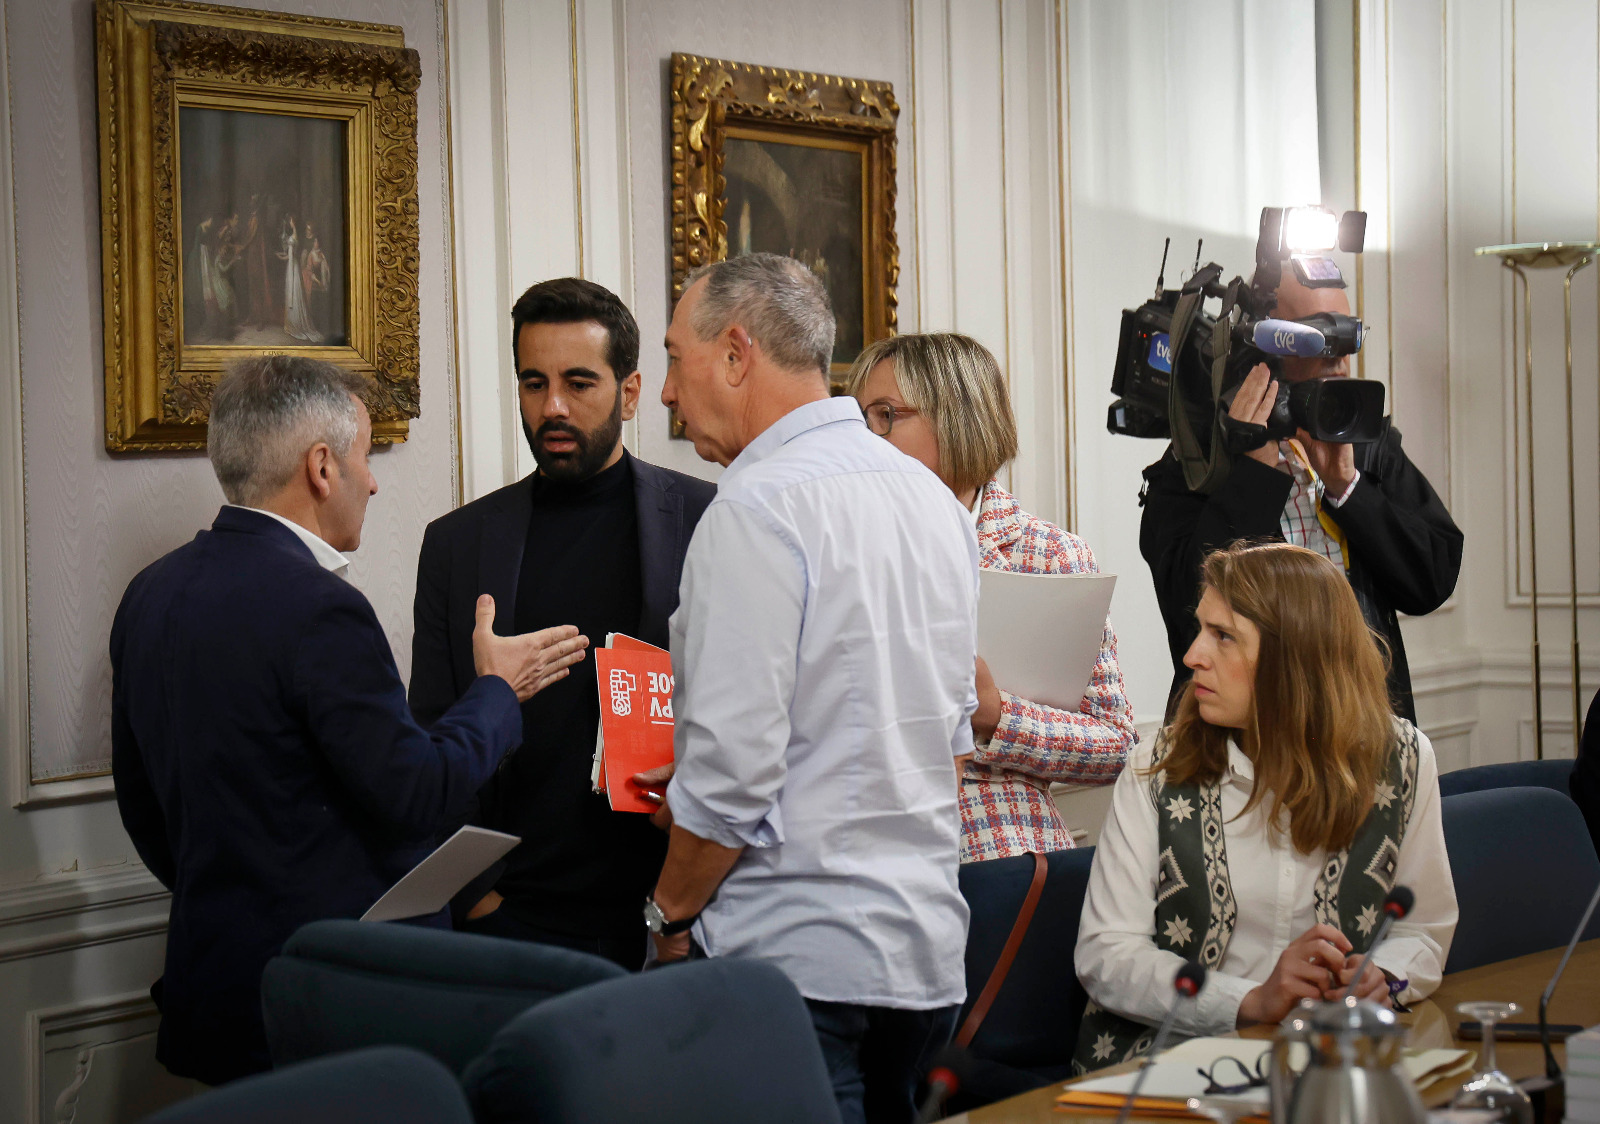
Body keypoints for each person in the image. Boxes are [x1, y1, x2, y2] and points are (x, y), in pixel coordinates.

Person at [110, 355, 588, 1085]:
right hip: (323, 1003)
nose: (373, 480)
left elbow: (145, 810)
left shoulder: (148, 595)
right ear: (322, 466)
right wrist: (497, 688)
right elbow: (417, 795)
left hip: (213, 988)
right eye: (365, 457)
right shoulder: (320, 607)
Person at [651, 254, 978, 1124]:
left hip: (795, 966)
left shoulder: (756, 509)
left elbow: (731, 779)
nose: (667, 394)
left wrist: (665, 920)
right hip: (923, 957)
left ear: (734, 352)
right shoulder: (935, 501)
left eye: (676, 359)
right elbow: (943, 734)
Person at [409, 278, 716, 969]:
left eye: (579, 383)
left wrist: (685, 903)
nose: (552, 407)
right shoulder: (458, 545)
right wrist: (480, 901)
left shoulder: (707, 520)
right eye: (532, 383)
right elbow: (430, 729)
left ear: (630, 392)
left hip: (669, 914)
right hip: (514, 917)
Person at [1073, 542, 1457, 1072]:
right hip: (1173, 1069)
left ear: (1294, 658)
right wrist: (1250, 1001)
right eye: (1202, 628)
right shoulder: (1156, 767)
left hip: (1336, 1062)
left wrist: (1381, 978)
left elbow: (1423, 929)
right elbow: (1106, 954)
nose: (1193, 656)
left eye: (1223, 636)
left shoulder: (1403, 759)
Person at [846, 333, 1136, 860]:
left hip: (999, 856)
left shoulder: (1050, 554)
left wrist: (997, 715)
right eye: (862, 418)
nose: (869, 436)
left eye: (886, 415)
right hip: (859, 845)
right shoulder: (840, 543)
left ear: (957, 417)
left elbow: (1114, 747)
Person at [1140, 266, 1463, 722]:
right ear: (1263, 348)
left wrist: (1348, 489)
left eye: (1349, 339)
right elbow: (1190, 613)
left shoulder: (1366, 447)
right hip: (1241, 750)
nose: (1338, 358)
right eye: (1319, 338)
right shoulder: (1194, 466)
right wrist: (1254, 473)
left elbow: (1432, 578)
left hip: (1360, 736)